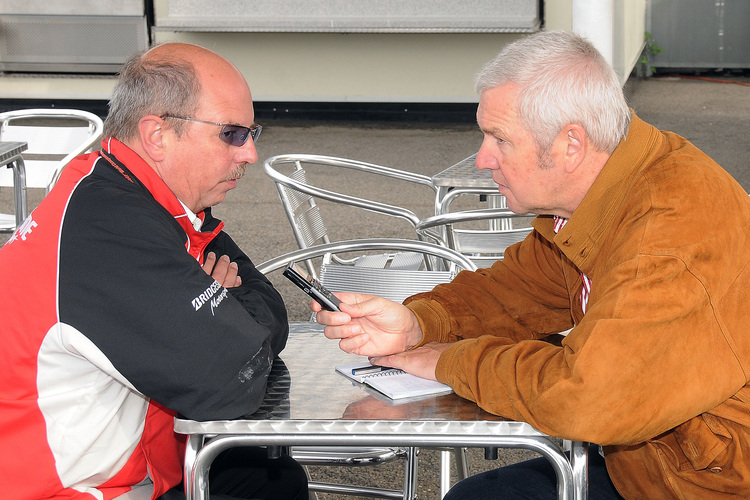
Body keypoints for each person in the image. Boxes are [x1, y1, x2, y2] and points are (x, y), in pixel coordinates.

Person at [314, 30, 750, 499]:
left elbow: (590, 398)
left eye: (500, 140)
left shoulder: (668, 234)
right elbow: (514, 293)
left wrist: (452, 360)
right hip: (654, 464)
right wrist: (418, 323)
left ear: (572, 144)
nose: (483, 160)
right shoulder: (601, 194)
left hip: (704, 483)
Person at [0, 43, 307, 499]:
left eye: (252, 132)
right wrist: (222, 317)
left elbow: (269, 309)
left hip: (139, 469)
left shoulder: (144, 196)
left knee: (272, 477)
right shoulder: (108, 224)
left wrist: (222, 312)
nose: (250, 155)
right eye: (233, 134)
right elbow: (230, 382)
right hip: (66, 489)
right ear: (157, 135)